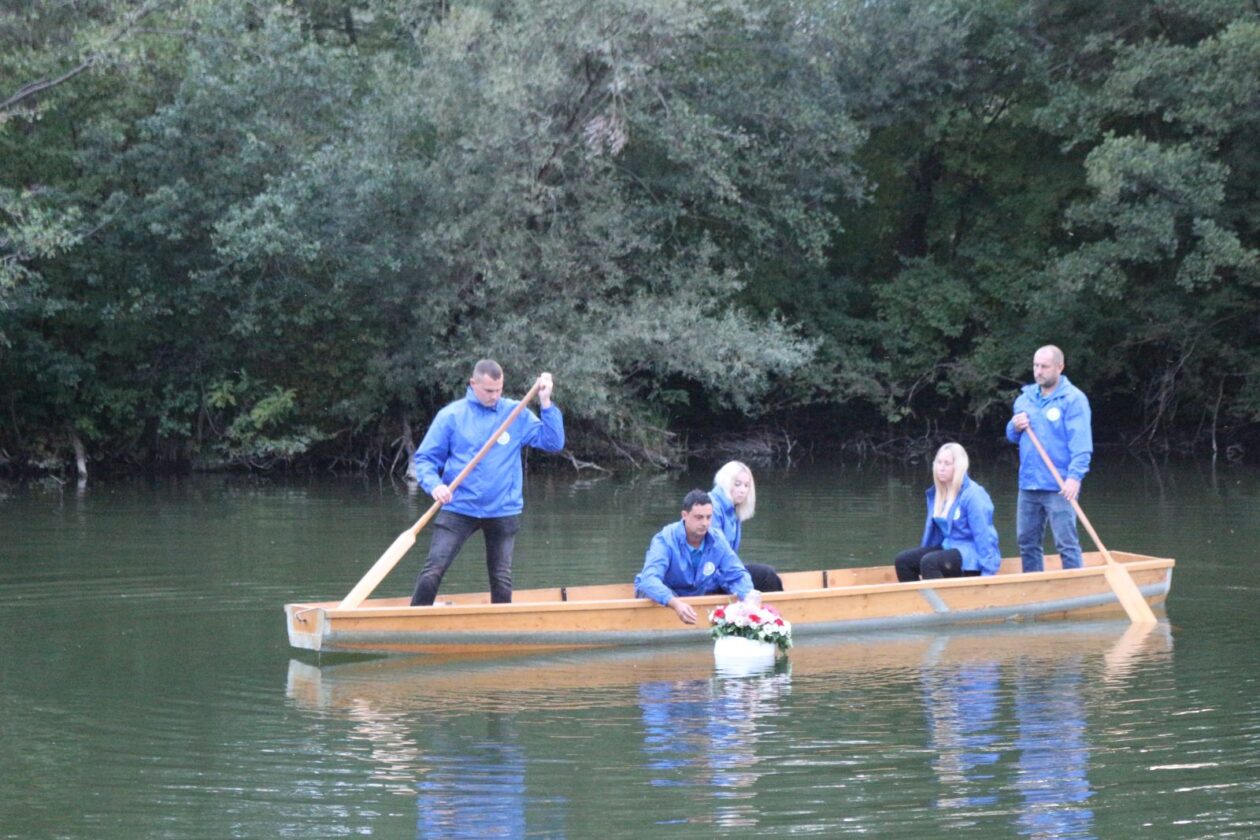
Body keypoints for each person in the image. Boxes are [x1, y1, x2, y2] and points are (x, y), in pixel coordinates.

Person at [410, 360, 564, 605]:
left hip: (503, 509)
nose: (495, 396)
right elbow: (426, 459)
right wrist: (435, 485)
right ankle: (414, 621)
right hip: (458, 506)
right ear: (473, 384)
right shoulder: (451, 416)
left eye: (499, 390)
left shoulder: (515, 413)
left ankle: (501, 629)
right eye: (489, 391)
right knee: (433, 571)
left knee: (501, 578)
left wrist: (546, 402)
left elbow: (553, 443)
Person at [1005, 345, 1092, 572]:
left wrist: (1074, 478)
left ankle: (1076, 586)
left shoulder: (1073, 399)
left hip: (1059, 485)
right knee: (1026, 542)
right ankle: (1035, 586)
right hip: (1029, 484)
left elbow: (1081, 445)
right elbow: (1012, 436)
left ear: (1059, 367)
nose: (1038, 371)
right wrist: (1014, 425)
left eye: (1044, 366)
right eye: (1035, 366)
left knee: (1066, 542)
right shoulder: (1025, 399)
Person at [634, 489, 758, 625]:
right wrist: (675, 603)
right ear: (684, 515)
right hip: (661, 596)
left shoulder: (718, 539)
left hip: (694, 595)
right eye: (699, 517)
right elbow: (649, 579)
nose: (705, 523)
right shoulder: (665, 539)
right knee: (653, 591)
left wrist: (748, 598)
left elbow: (737, 574)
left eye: (708, 517)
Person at [894, 443, 1001, 581]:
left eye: (947, 464)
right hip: (948, 548)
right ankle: (916, 601)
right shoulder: (937, 493)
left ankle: (939, 602)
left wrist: (988, 573)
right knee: (903, 561)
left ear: (958, 466)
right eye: (939, 463)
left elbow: (984, 534)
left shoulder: (973, 494)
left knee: (930, 562)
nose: (941, 468)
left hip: (970, 557)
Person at [710, 461, 783, 592]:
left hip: (725, 570)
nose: (742, 490)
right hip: (710, 576)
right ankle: (777, 611)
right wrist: (741, 582)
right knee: (767, 575)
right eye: (737, 484)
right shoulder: (712, 507)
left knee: (766, 575)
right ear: (726, 482)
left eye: (746, 485)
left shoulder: (734, 511)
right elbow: (719, 552)